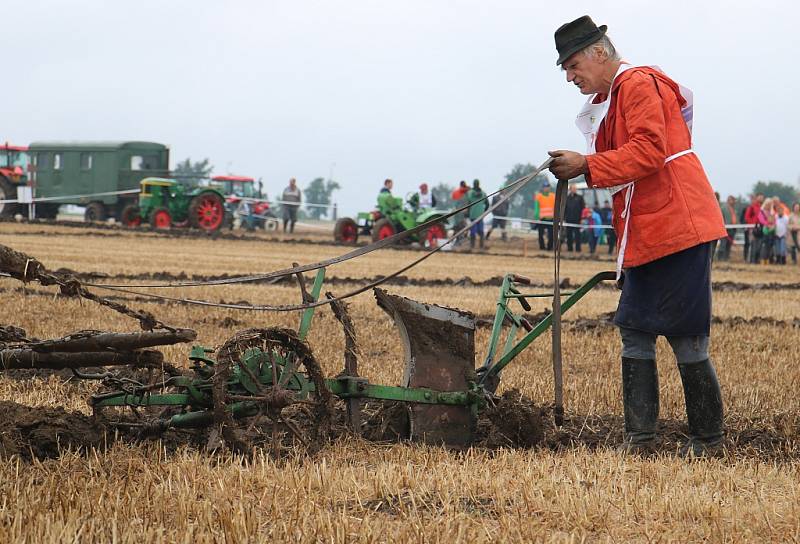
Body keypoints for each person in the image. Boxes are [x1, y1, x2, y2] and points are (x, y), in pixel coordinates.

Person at [547, 16, 727, 456]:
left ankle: (708, 442)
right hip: (649, 227)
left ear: (600, 53)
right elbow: (625, 160)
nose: (570, 77)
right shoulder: (614, 97)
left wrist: (586, 165)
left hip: (678, 225)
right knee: (634, 329)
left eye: (573, 65)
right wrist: (586, 164)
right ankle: (640, 441)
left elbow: (648, 152)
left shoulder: (638, 85)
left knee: (686, 336)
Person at [466, 179, 488, 249]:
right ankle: (481, 246)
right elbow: (487, 204)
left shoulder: (470, 193)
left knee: (473, 231)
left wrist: (467, 213)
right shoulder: (483, 193)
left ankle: (472, 246)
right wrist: (483, 211)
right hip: (480, 215)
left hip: (473, 215)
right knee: (481, 231)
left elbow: (468, 204)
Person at [534, 181, 555, 250]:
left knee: (551, 234)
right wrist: (536, 217)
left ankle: (550, 247)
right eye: (545, 187)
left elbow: (556, 207)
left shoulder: (553, 196)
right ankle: (542, 247)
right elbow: (536, 208)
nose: (546, 188)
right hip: (542, 218)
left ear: (549, 188)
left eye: (547, 187)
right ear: (543, 188)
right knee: (540, 234)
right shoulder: (538, 196)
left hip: (551, 218)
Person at [564, 184, 585, 252]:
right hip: (568, 219)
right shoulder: (566, 198)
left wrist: (582, 219)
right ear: (570, 189)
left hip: (577, 220)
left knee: (577, 235)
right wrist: (564, 219)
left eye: (575, 188)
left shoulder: (580, 197)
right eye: (573, 188)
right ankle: (570, 249)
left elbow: (583, 209)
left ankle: (578, 249)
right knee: (569, 235)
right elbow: (564, 209)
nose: (574, 189)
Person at [717, 195, 739, 261]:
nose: (734, 201)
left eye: (734, 200)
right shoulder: (723, 208)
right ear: (728, 200)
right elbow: (721, 218)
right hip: (725, 228)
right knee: (723, 244)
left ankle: (726, 258)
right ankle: (720, 258)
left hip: (732, 229)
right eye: (732, 200)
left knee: (728, 245)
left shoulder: (734, 209)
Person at [744, 193, 764, 263]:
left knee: (758, 245)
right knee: (752, 244)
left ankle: (756, 260)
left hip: (759, 228)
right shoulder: (751, 207)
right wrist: (752, 224)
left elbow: (762, 219)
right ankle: (750, 260)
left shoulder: (761, 207)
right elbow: (747, 217)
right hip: (752, 228)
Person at [758, 198, 776, 264]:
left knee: (770, 246)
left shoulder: (772, 212)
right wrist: (768, 225)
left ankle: (769, 259)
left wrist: (773, 226)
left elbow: (774, 220)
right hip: (764, 231)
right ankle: (763, 259)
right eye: (767, 204)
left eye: (770, 204)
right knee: (764, 246)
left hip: (771, 232)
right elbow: (761, 220)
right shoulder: (761, 211)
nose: (768, 205)